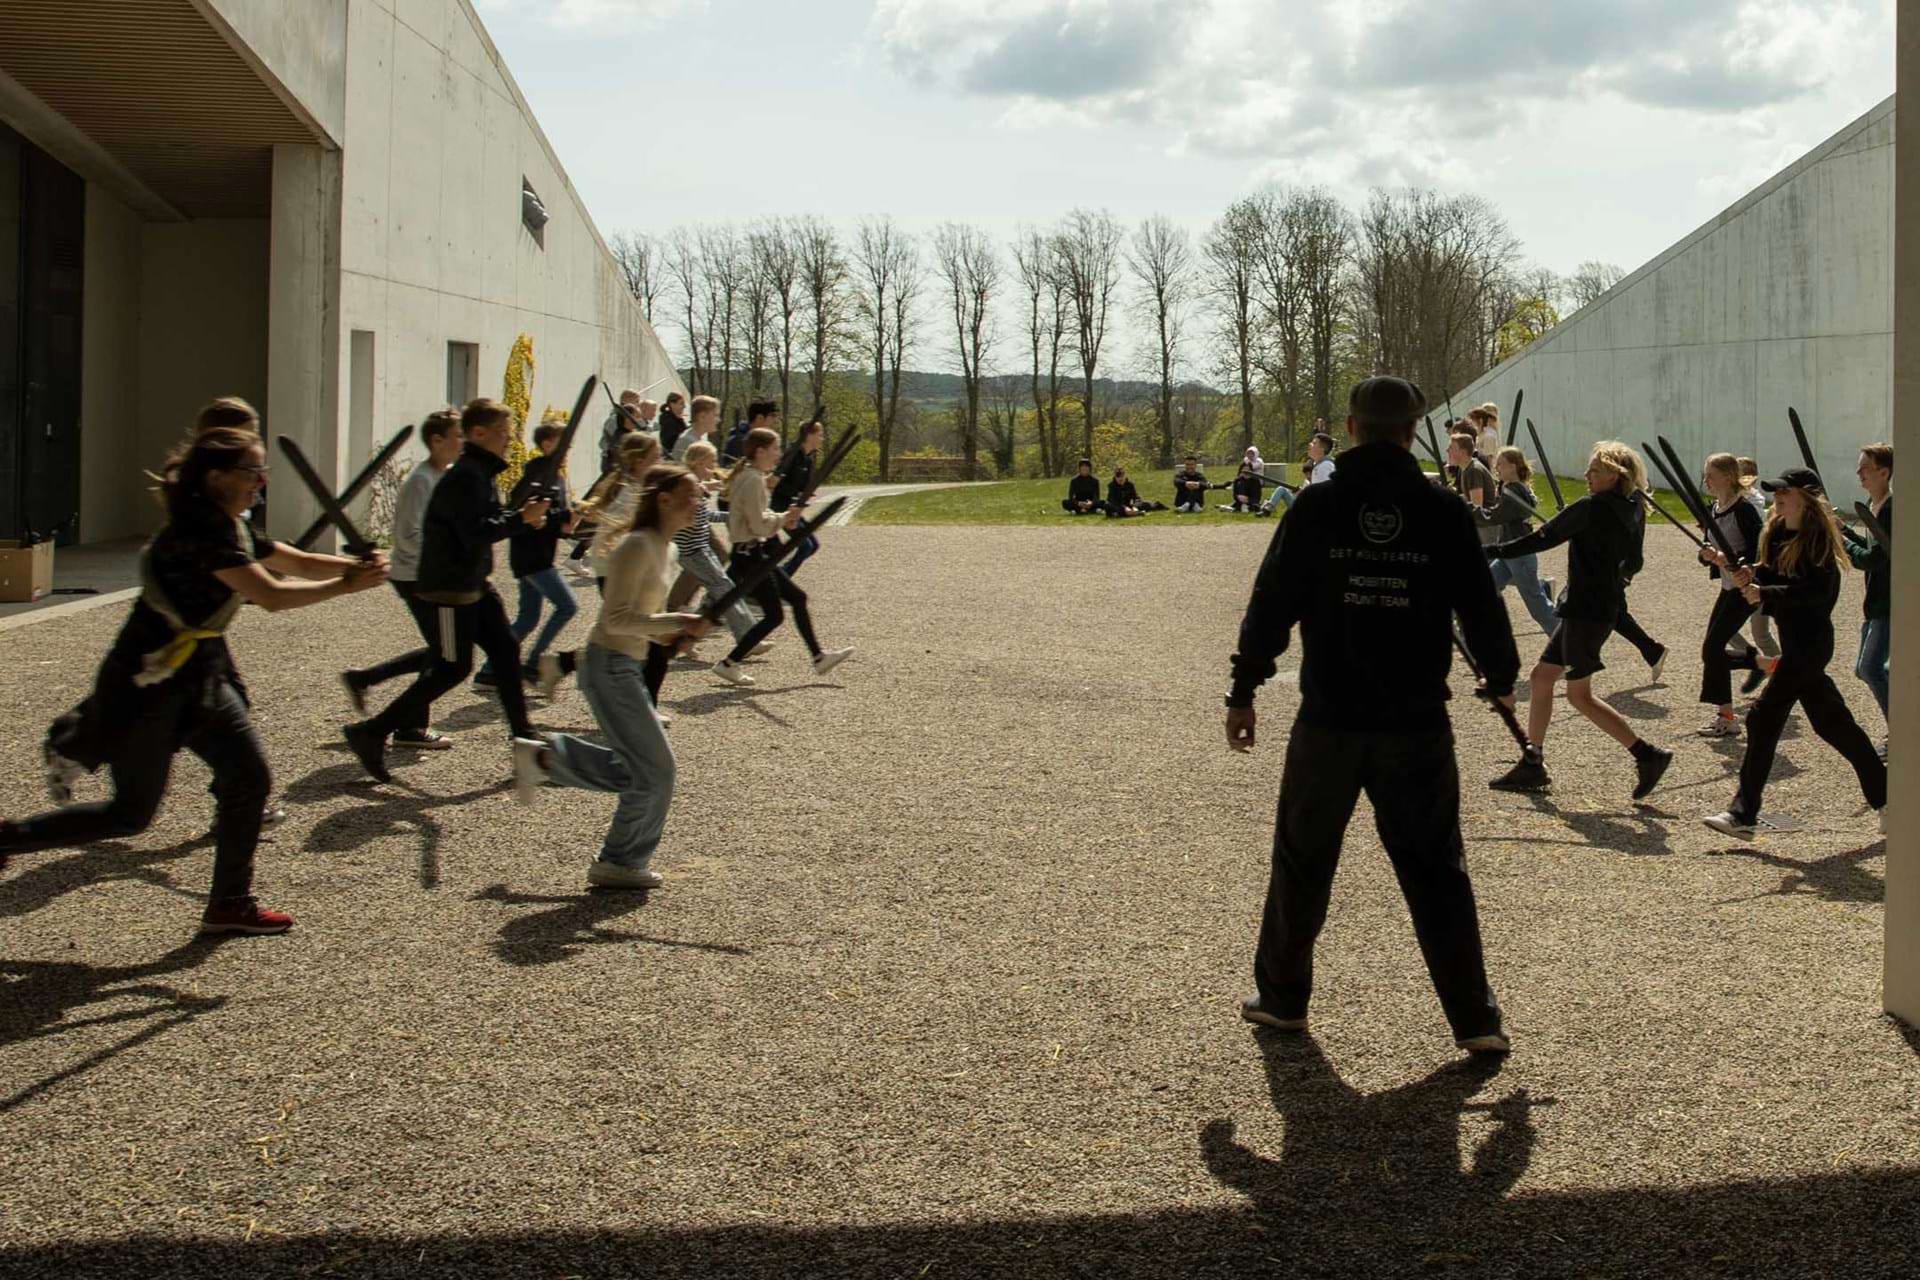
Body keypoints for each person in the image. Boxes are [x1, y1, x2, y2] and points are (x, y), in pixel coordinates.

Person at [1227, 375, 1515, 1054]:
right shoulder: (1440, 509)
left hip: (1331, 716)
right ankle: (1475, 1019)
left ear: (1352, 427)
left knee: (1302, 861)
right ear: (1413, 432)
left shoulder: (1319, 505)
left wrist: (1244, 688)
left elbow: (1271, 603)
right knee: (1437, 870)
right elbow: (1481, 604)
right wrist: (1501, 676)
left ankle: (1282, 998)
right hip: (1415, 720)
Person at [5, 427, 387, 933]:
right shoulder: (198, 531)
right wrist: (347, 585)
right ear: (216, 476)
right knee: (129, 816)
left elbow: (290, 559)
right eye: (251, 472)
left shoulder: (232, 525)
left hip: (200, 677)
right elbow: (271, 594)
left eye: (261, 471)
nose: (260, 482)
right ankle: (7, 837)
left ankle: (230, 903)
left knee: (248, 780)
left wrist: (354, 567)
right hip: (148, 684)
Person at [513, 464, 710, 891]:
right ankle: (619, 861)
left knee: (642, 772)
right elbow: (616, 619)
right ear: (664, 500)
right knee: (657, 772)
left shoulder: (666, 549)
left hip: (626, 665)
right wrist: (677, 621)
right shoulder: (637, 546)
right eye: (692, 495)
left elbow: (643, 618)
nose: (699, 502)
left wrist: (674, 634)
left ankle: (547, 760)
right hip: (607, 666)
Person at [342, 399, 551, 783]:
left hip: (473, 583)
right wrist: (521, 519)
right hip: (450, 589)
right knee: (452, 666)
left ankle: (525, 738)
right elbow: (474, 532)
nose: (509, 440)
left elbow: (488, 519)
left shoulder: (480, 472)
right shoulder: (465, 476)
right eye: (503, 433)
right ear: (479, 433)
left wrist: (523, 519)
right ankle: (371, 731)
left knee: (505, 650)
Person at [1485, 442, 1673, 800]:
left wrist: (1489, 551)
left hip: (1587, 611)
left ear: (1616, 476)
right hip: (1593, 609)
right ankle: (1533, 761)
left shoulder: (1591, 507)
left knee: (1580, 696)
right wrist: (1613, 574)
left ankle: (1647, 754)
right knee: (1542, 678)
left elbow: (1541, 538)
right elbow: (1635, 562)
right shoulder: (1633, 508)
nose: (1587, 475)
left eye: (1595, 470)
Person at [1703, 468, 1887, 836]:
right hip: (1794, 643)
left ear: (1806, 499)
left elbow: (1816, 594)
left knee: (1762, 718)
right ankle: (1886, 796)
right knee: (1833, 724)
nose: (1779, 498)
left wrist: (1765, 592)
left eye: (1786, 492)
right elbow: (1770, 574)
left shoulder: (1819, 540)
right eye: (1777, 492)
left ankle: (1743, 814)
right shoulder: (1775, 532)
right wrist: (1747, 572)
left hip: (1811, 644)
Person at [338, 408, 464, 748]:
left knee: (444, 652)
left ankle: (367, 680)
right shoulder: (420, 481)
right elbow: (408, 536)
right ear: (437, 441)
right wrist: (449, 558)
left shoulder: (446, 475)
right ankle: (408, 727)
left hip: (433, 576)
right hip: (416, 577)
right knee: (446, 655)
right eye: (458, 436)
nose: (463, 442)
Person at [713, 426, 853, 687]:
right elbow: (758, 525)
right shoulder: (752, 480)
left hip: (752, 553)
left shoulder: (750, 476)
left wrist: (782, 517)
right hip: (750, 555)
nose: (778, 455)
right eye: (775, 449)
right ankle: (729, 663)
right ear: (760, 451)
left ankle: (818, 657)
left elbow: (759, 518)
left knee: (797, 599)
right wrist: (783, 518)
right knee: (774, 615)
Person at [492, 420, 579, 684]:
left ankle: (489, 671)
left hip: (539, 554)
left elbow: (553, 518)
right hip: (531, 556)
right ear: (547, 444)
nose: (569, 448)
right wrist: (560, 518)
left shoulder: (556, 476)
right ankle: (533, 663)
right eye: (563, 442)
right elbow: (520, 510)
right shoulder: (538, 472)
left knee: (528, 618)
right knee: (567, 606)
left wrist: (566, 522)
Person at [1694, 453, 1769, 739]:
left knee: (1713, 648)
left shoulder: (1744, 509)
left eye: (1711, 475)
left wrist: (1732, 561)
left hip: (1746, 589)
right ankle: (1764, 664)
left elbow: (1760, 550)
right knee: (1710, 650)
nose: (1706, 481)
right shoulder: (1714, 509)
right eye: (1705, 475)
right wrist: (1706, 555)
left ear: (1727, 477)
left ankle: (1727, 718)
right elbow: (1708, 549)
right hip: (1728, 588)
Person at [1839, 443, 1892, 755]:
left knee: (1871, 667)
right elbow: (1873, 549)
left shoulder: (1890, 510)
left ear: (1883, 472)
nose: (1859, 473)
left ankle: (1901, 730)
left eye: (1865, 468)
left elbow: (1872, 560)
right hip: (1876, 603)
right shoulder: (1877, 506)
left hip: (1888, 602)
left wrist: (1843, 542)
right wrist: (1845, 530)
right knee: (1866, 669)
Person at [1471, 447, 1557, 635]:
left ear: (1513, 466)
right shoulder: (1515, 488)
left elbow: (1495, 517)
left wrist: (1468, 510)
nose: (1497, 468)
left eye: (1500, 464)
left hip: (1520, 555)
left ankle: (1567, 639)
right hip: (1509, 553)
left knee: (1538, 607)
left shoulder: (1514, 491)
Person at [1735, 456, 1780, 660]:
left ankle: (1777, 668)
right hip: (1744, 575)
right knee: (1729, 631)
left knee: (1760, 634)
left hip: (1756, 575)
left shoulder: (1752, 505)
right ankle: (1764, 664)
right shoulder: (1740, 503)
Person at [772, 417, 824, 574]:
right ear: (809, 435)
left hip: (793, 508)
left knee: (813, 545)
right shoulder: (793, 454)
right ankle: (782, 577)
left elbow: (804, 485)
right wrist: (797, 494)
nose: (822, 439)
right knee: (805, 546)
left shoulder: (808, 458)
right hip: (780, 507)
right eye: (820, 435)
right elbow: (777, 483)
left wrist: (807, 492)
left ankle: (781, 575)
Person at [1260, 432, 1336, 515]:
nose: (1310, 445)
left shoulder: (1325, 466)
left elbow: (1324, 496)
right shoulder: (1318, 465)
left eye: (1314, 443)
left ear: (1322, 449)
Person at [600, 389, 641, 476]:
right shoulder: (613, 420)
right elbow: (604, 443)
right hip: (612, 461)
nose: (638, 405)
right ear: (625, 401)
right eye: (636, 401)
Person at [668, 393, 719, 462]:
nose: (718, 420)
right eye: (715, 415)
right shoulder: (688, 441)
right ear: (702, 417)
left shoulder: (702, 438)